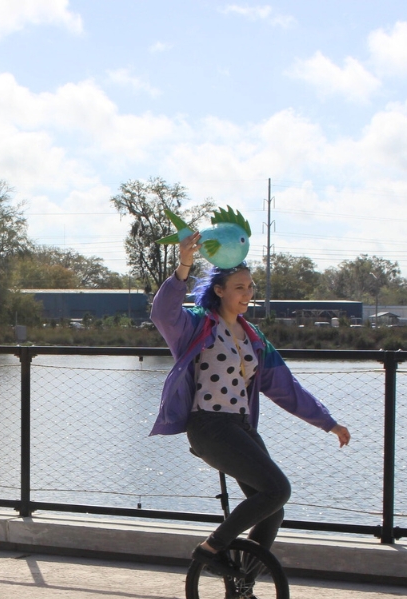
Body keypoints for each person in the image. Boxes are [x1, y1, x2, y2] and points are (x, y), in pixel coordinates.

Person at [150, 231, 350, 574]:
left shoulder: (254, 339)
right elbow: (163, 314)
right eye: (240, 287)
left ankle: (242, 583)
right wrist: (184, 265)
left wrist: (327, 422)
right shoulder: (198, 325)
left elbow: (287, 388)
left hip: (241, 427)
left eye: (251, 287)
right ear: (220, 291)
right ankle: (211, 547)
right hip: (209, 426)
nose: (248, 294)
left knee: (273, 507)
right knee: (277, 489)